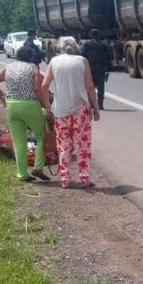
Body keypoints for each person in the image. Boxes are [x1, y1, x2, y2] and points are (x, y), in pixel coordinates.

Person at [41, 36, 101, 189]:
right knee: (83, 145)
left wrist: (48, 107)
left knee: (63, 145)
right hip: (80, 109)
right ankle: (84, 179)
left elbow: (44, 86)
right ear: (75, 47)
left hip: (60, 110)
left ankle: (65, 179)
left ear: (60, 47)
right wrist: (95, 107)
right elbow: (89, 86)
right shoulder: (82, 60)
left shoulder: (54, 62)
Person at [0, 46, 54, 182]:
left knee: (18, 141)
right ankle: (38, 167)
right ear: (31, 57)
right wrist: (47, 106)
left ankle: (22, 174)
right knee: (41, 136)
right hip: (30, 105)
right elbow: (37, 89)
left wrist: (2, 98)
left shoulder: (8, 68)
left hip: (12, 106)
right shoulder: (33, 67)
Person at [81, 29, 111, 110]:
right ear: (99, 35)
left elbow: (82, 56)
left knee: (90, 87)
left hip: (90, 69)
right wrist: (107, 70)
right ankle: (100, 105)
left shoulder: (87, 44)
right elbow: (108, 58)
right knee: (101, 88)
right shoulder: (103, 45)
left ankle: (90, 104)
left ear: (91, 35)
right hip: (100, 69)